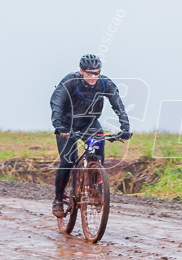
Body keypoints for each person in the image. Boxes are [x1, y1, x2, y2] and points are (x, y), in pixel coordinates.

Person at [49, 54, 131, 217]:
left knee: (96, 156)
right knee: (68, 160)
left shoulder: (105, 83)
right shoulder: (69, 82)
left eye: (96, 73)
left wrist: (125, 128)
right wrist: (59, 126)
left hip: (90, 124)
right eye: (89, 73)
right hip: (67, 125)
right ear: (81, 71)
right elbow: (56, 103)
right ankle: (58, 199)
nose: (93, 77)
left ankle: (94, 188)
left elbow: (118, 106)